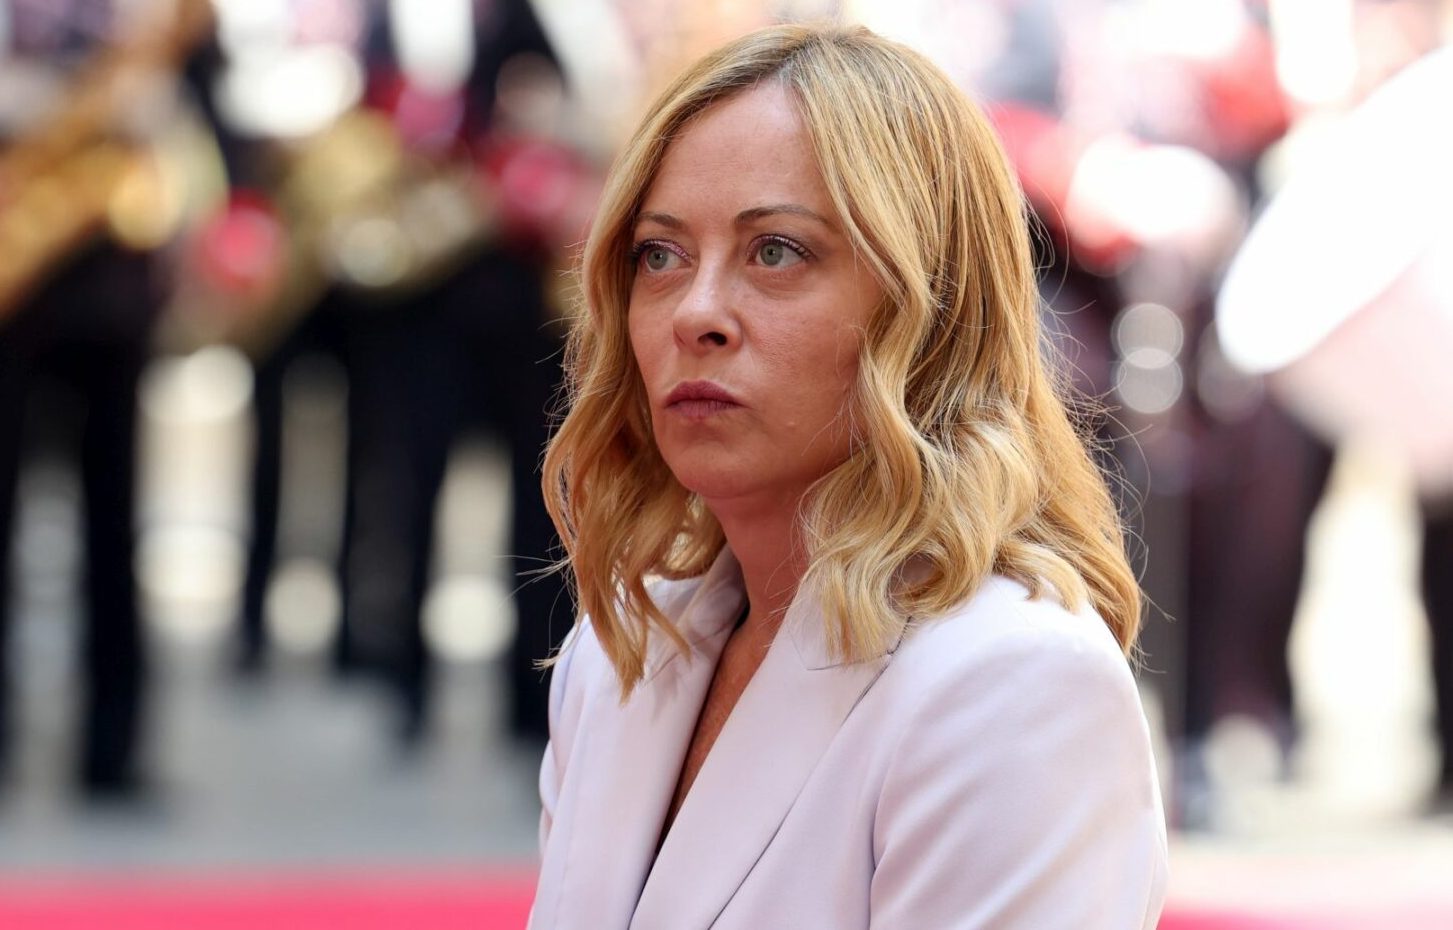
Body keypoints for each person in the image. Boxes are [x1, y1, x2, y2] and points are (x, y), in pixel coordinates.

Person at [530, 23, 1167, 929]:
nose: (695, 313)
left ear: (931, 306)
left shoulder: (1013, 681)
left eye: (776, 250)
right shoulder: (618, 652)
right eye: (658, 255)